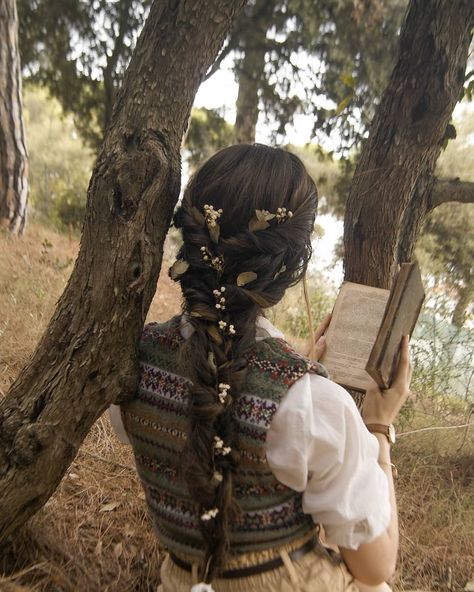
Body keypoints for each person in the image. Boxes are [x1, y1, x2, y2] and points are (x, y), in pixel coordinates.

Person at [109, 143, 411, 592]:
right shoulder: (311, 404)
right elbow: (374, 565)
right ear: (290, 265)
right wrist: (378, 426)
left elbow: (217, 402)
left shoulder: (132, 360)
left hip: (180, 579)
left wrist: (294, 377)